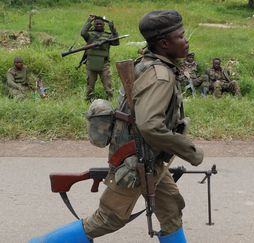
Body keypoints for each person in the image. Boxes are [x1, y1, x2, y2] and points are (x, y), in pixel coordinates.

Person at [30, 10, 204, 243]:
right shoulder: (160, 76)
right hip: (137, 161)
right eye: (181, 36)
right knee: (108, 218)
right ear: (164, 43)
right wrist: (190, 151)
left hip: (149, 159)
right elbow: (150, 125)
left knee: (171, 209)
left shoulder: (148, 63)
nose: (186, 40)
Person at [81, 15, 119, 101]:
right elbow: (83, 33)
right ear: (94, 25)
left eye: (101, 24)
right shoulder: (90, 35)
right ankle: (88, 100)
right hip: (91, 63)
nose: (99, 25)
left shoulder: (108, 36)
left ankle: (111, 100)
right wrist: (89, 21)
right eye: (97, 24)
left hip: (104, 64)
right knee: (90, 86)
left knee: (108, 85)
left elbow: (116, 42)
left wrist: (112, 28)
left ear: (104, 25)